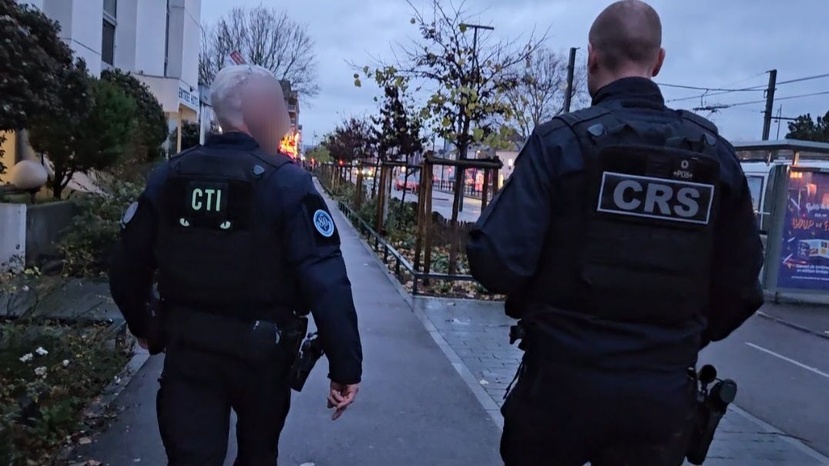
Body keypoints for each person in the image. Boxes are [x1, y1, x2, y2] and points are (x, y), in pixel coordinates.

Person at [466, 1, 764, 465]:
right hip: (660, 399)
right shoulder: (715, 158)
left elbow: (496, 260)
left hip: (559, 389)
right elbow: (743, 288)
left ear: (591, 56)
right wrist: (677, 340)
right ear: (658, 61)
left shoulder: (560, 144)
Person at [109, 64, 363, 465]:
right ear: (257, 111)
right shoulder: (287, 183)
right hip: (262, 358)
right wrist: (346, 364)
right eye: (279, 107)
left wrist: (146, 327)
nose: (284, 120)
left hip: (187, 350)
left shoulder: (171, 176)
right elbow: (325, 278)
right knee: (258, 453)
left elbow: (126, 265)